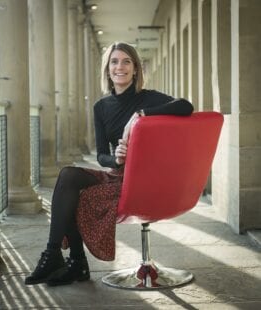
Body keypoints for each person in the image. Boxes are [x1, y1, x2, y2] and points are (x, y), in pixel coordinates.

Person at [25, 42, 194, 287]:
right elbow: (102, 155)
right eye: (114, 61)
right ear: (108, 69)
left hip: (147, 179)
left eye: (127, 61)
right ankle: (54, 254)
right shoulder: (101, 107)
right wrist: (116, 159)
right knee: (69, 177)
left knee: (79, 196)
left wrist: (141, 115)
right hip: (120, 173)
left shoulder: (147, 98)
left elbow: (186, 106)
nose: (120, 67)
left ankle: (76, 263)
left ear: (135, 69)